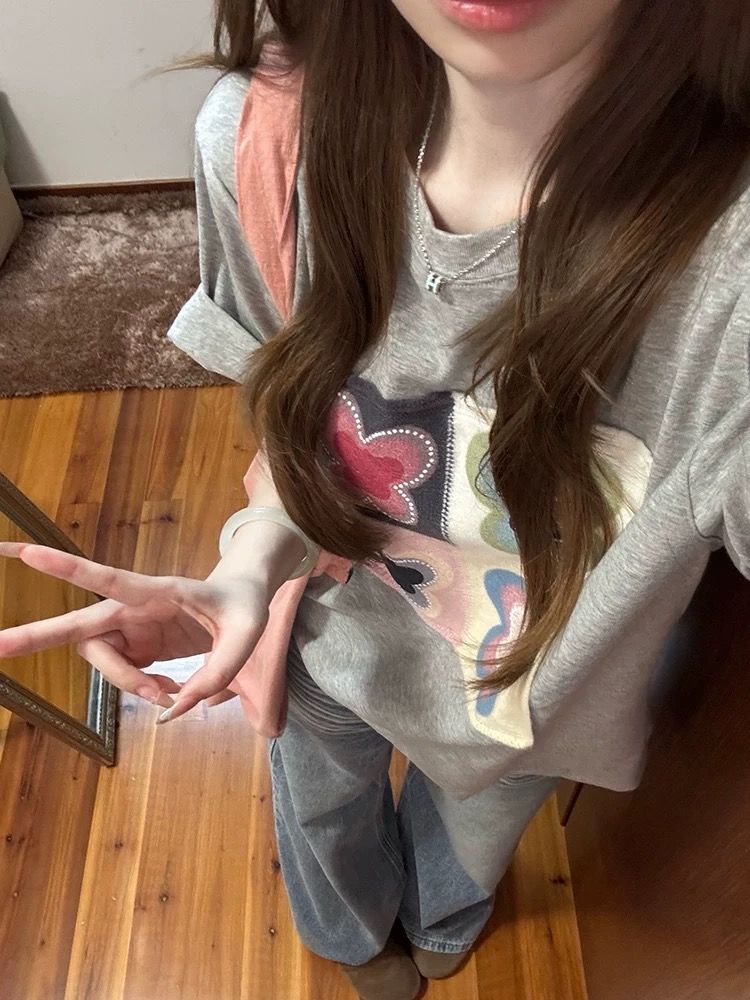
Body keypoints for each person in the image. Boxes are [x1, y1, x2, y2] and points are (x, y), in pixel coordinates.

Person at [1, 2, 749, 998]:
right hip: (323, 626)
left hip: (530, 707)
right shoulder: (265, 137)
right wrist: (252, 558)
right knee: (321, 812)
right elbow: (301, 428)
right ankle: (351, 938)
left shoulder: (728, 270)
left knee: (470, 841)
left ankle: (443, 916)